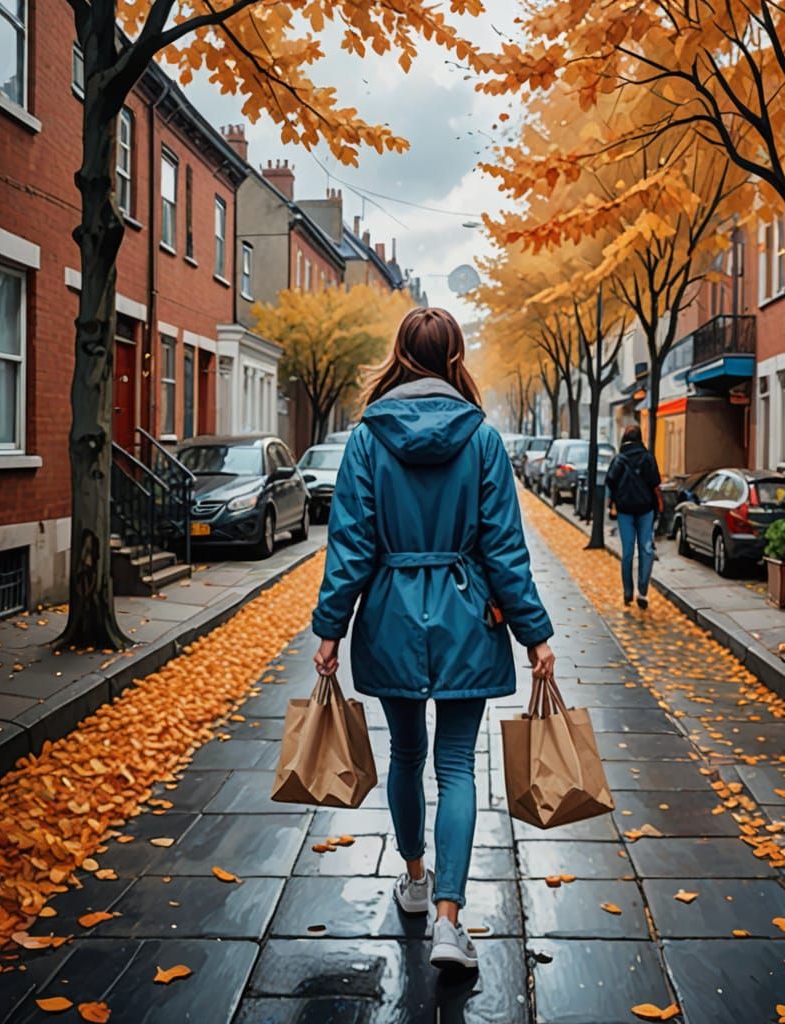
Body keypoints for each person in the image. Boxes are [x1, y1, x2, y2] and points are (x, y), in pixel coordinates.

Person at [311, 307, 555, 971]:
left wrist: (331, 629)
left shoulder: (367, 439)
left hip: (389, 616)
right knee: (456, 765)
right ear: (454, 356)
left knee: (405, 754)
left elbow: (351, 546)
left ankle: (415, 879)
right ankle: (450, 922)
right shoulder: (482, 439)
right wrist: (534, 634)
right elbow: (504, 549)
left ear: (400, 355)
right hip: (466, 619)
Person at [605, 424, 662, 608]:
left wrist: (611, 504)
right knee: (646, 550)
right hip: (646, 510)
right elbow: (656, 484)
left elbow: (610, 482)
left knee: (628, 552)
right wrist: (660, 504)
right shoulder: (647, 458)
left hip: (624, 511)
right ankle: (642, 592)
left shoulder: (619, 459)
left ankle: (628, 592)